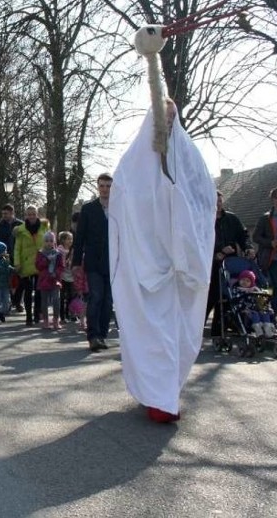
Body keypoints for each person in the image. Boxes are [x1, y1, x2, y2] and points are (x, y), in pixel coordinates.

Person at [109, 99, 215, 423]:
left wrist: (185, 244)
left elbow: (204, 204)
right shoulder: (131, 167)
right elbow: (124, 210)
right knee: (154, 334)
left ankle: (167, 393)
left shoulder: (191, 160)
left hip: (183, 270)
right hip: (147, 269)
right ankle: (159, 397)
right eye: (161, 117)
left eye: (171, 118)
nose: (166, 124)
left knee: (179, 334)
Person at [72, 173, 113, 352]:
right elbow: (79, 237)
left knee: (108, 300)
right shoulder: (88, 209)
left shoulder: (119, 207)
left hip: (113, 261)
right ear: (98, 187)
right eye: (102, 186)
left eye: (108, 186)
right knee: (96, 297)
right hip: (94, 261)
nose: (105, 189)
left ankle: (102, 334)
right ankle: (93, 335)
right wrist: (75, 262)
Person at [205, 191, 254, 336]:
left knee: (228, 296)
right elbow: (200, 241)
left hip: (231, 263)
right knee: (211, 296)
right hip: (212, 264)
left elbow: (243, 236)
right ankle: (195, 328)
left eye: (219, 201)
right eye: (215, 201)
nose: (218, 204)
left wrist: (248, 248)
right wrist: (218, 251)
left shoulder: (232, 219)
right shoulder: (204, 219)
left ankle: (219, 330)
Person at [252, 187, 277, 330]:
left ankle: (275, 319)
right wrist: (271, 243)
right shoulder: (266, 218)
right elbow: (256, 237)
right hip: (274, 259)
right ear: (274, 199)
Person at [12, 206, 50, 326]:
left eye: (33, 214)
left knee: (39, 291)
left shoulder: (44, 228)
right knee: (28, 292)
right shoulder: (20, 231)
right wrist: (17, 263)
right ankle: (28, 316)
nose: (31, 216)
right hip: (26, 264)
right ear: (26, 215)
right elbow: (17, 248)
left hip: (40, 263)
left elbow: (49, 244)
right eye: (29, 214)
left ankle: (37, 314)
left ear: (37, 214)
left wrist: (50, 260)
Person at [0, 204, 24, 312]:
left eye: (6, 213)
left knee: (20, 279)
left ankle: (18, 301)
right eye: (2, 214)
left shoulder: (21, 225)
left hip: (19, 255)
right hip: (5, 256)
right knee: (8, 280)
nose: (4, 216)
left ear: (12, 213)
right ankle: (10, 301)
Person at [235, 270, 277, 338]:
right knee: (254, 314)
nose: (244, 282)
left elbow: (261, 300)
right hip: (244, 309)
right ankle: (258, 332)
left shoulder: (254, 290)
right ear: (239, 280)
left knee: (265, 313)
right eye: (243, 280)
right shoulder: (237, 290)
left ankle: (268, 331)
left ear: (252, 283)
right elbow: (237, 300)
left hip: (256, 309)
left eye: (247, 281)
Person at [35, 231, 64, 330]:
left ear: (54, 242)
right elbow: (38, 266)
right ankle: (46, 321)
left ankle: (56, 320)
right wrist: (46, 260)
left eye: (51, 241)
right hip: (44, 280)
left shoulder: (58, 254)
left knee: (56, 300)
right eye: (47, 241)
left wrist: (56, 273)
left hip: (55, 280)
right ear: (44, 242)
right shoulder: (40, 253)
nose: (49, 243)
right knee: (44, 302)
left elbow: (61, 266)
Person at [58, 231, 76, 323]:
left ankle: (68, 313)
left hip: (71, 277)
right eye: (68, 239)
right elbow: (60, 264)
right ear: (63, 240)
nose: (70, 241)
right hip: (62, 277)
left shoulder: (73, 251)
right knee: (61, 297)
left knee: (71, 296)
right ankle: (62, 316)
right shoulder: (59, 251)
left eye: (71, 239)